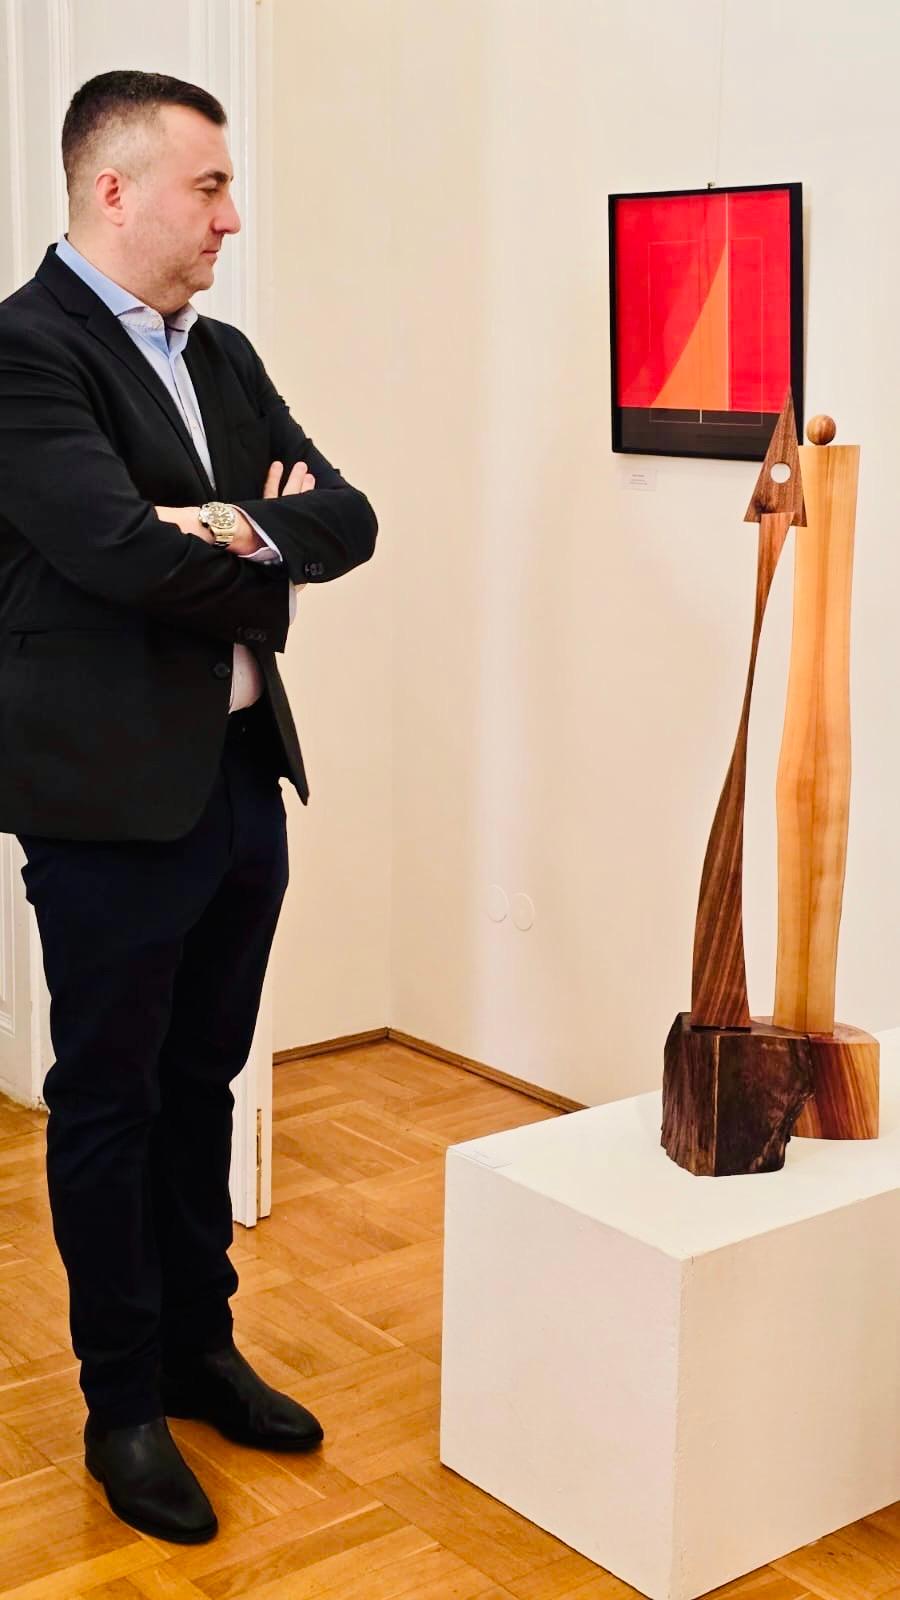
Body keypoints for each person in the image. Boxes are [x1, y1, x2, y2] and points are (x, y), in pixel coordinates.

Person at [0, 69, 377, 1545]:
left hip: (236, 776)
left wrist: (221, 526)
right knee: (109, 1103)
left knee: (204, 1081)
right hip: (104, 800)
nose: (231, 216)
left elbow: (347, 517)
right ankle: (122, 1406)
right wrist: (260, 543)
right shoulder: (25, 351)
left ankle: (199, 1353)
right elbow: (112, 550)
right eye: (208, 186)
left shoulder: (222, 354)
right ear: (116, 190)